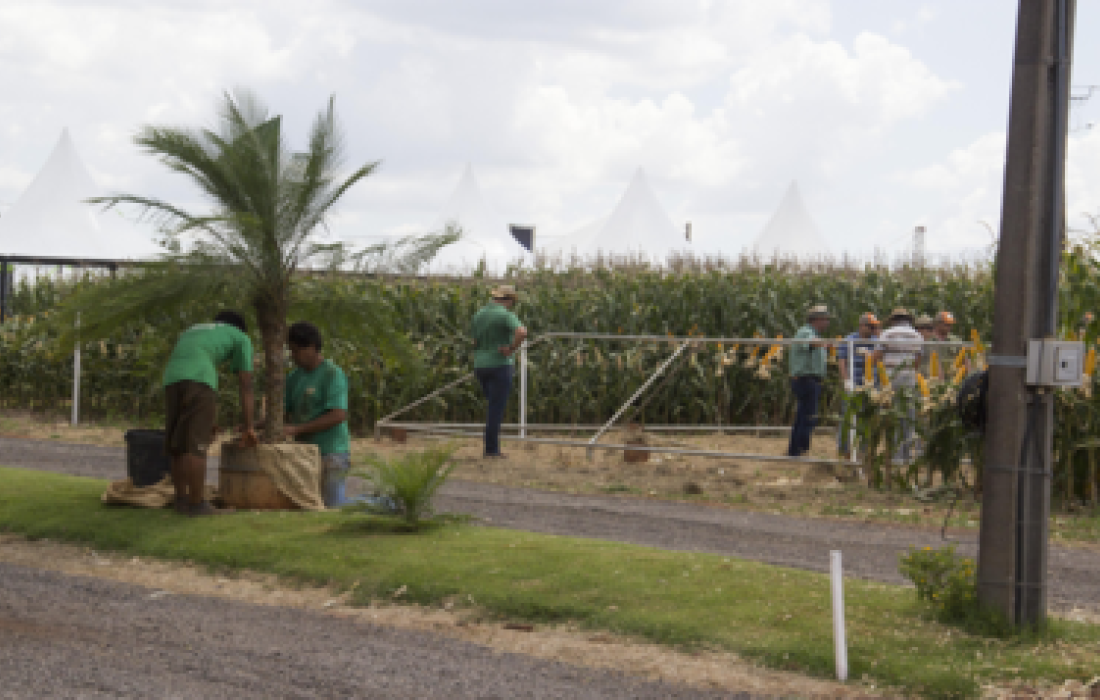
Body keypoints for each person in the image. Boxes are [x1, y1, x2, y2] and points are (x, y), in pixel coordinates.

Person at [163, 311, 256, 516]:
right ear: (239, 328)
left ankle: (181, 500)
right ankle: (197, 505)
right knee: (197, 446)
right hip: (200, 378)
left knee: (178, 445)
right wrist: (249, 427)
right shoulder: (241, 336)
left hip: (171, 378)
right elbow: (246, 384)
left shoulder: (194, 329)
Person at [283, 321, 353, 508]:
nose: (293, 355)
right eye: (291, 351)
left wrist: (297, 429)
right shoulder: (294, 378)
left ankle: (384, 503)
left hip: (331, 452)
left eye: (297, 350)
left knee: (333, 505)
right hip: (304, 454)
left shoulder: (332, 374)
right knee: (308, 504)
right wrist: (253, 425)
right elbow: (282, 411)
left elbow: (338, 415)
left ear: (313, 347)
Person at [469, 285, 528, 458]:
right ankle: (491, 449)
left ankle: (491, 446)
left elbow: (474, 342)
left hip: (480, 365)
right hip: (500, 365)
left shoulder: (478, 315)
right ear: (508, 300)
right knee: (496, 408)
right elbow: (522, 332)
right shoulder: (505, 315)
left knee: (492, 406)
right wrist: (512, 348)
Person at [876, 308, 923, 464]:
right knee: (908, 416)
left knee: (894, 416)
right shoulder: (917, 335)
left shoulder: (887, 333)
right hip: (909, 378)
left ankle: (896, 456)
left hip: (891, 379)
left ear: (893, 320)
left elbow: (878, 356)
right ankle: (906, 455)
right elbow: (918, 359)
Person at [787, 304, 831, 457]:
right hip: (806, 380)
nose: (828, 323)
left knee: (803, 415)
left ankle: (796, 449)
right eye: (826, 319)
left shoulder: (811, 333)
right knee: (808, 417)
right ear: (817, 319)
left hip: (809, 380)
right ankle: (799, 449)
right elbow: (811, 342)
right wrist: (827, 343)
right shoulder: (805, 331)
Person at [836, 312, 880, 455]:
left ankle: (864, 449)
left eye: (874, 327)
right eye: (871, 326)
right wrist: (846, 380)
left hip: (871, 383)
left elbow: (880, 361)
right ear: (862, 326)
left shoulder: (877, 341)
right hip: (853, 382)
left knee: (867, 416)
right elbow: (842, 361)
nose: (873, 329)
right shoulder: (849, 340)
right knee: (848, 416)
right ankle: (844, 449)